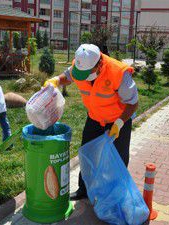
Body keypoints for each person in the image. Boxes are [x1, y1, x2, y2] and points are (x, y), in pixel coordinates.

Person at [44, 44, 138, 200]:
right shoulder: (80, 66)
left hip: (118, 121)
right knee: (87, 154)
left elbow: (133, 103)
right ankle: (84, 190)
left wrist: (119, 124)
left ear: (99, 64)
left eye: (87, 73)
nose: (84, 77)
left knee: (118, 159)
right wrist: (55, 80)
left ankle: (116, 195)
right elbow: (68, 76)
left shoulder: (118, 73)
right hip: (94, 118)